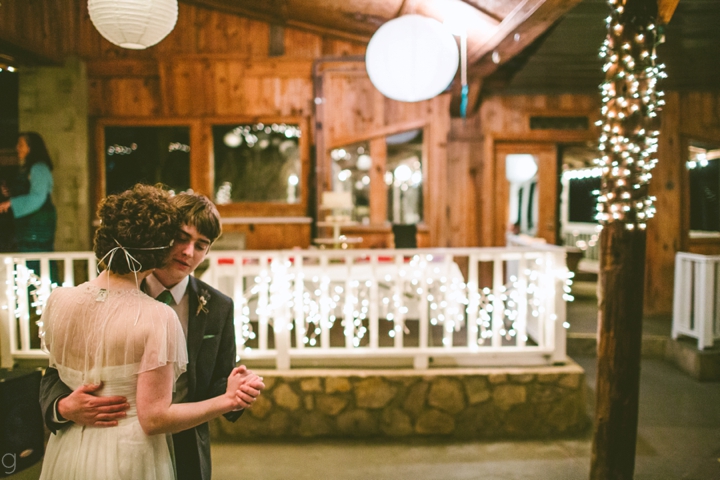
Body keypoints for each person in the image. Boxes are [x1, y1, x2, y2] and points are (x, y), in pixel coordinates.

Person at [38, 185, 264, 480]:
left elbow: (219, 378)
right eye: (182, 239)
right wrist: (62, 406)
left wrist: (238, 390)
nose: (188, 251)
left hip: (185, 448)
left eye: (201, 244)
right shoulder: (108, 292)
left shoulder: (219, 306)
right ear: (163, 237)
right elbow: (59, 370)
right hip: (113, 440)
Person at [0, 132, 57, 252]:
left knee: (36, 260)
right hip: (28, 225)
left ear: (31, 148)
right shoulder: (28, 169)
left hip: (37, 226)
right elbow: (26, 192)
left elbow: (38, 197)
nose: (17, 148)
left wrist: (10, 203)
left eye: (21, 144)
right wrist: (10, 193)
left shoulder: (39, 168)